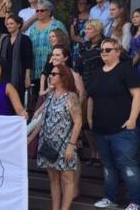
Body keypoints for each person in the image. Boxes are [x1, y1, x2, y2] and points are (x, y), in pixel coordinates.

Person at [88, 38, 140, 210]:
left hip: (124, 130)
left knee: (128, 165)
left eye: (108, 49)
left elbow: (139, 94)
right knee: (108, 166)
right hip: (101, 129)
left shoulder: (127, 69)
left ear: (118, 51)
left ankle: (135, 202)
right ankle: (110, 198)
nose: (104, 52)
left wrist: (133, 119)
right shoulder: (96, 73)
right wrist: (90, 119)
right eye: (102, 50)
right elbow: (91, 97)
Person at [29, 64, 82, 210]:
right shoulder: (50, 96)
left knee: (67, 179)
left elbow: (78, 123)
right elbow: (42, 120)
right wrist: (31, 138)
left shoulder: (71, 96)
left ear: (63, 77)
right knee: (53, 179)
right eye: (51, 73)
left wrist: (71, 146)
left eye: (54, 74)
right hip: (47, 144)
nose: (50, 76)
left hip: (65, 144)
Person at [74, 19, 105, 167]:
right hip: (84, 87)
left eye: (90, 29)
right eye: (86, 28)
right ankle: (93, 153)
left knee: (97, 121)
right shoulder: (83, 46)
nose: (87, 31)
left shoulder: (105, 44)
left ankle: (101, 153)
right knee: (86, 123)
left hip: (101, 87)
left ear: (98, 30)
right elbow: (77, 69)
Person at [28, 0, 67, 92]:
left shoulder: (57, 25)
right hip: (36, 71)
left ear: (49, 12)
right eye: (37, 10)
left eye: (42, 10)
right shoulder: (33, 27)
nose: (39, 13)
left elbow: (65, 44)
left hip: (53, 69)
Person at [0, 14, 33, 102]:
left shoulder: (25, 40)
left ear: (18, 25)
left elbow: (28, 60)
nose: (9, 26)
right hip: (5, 75)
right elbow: (0, 58)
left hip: (19, 75)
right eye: (8, 24)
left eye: (11, 23)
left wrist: (27, 76)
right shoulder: (5, 39)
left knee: (18, 99)